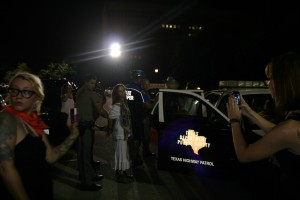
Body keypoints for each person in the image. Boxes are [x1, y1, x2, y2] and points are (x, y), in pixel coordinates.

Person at [226, 52, 300, 200]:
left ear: (285, 81)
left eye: (271, 78)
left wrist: (234, 121)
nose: (268, 83)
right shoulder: (293, 122)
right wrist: (249, 112)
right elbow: (279, 134)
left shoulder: (289, 128)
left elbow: (244, 155)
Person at [0, 71, 80, 200]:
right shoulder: (7, 119)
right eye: (14, 90)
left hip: (42, 190)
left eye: (26, 92)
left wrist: (73, 135)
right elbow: (5, 168)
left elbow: (50, 157)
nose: (18, 96)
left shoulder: (35, 121)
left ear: (37, 97)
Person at [75, 74, 108, 191]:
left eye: (94, 83)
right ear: (86, 82)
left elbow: (75, 108)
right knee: (85, 154)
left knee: (84, 154)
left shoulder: (79, 92)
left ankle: (87, 175)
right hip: (86, 127)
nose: (93, 85)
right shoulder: (91, 94)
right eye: (92, 83)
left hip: (81, 126)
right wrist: (111, 117)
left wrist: (75, 123)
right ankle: (86, 183)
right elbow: (100, 110)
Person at [107, 84, 133, 183]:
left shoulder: (124, 103)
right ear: (116, 93)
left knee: (124, 153)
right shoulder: (117, 104)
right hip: (120, 132)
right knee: (120, 153)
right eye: (120, 91)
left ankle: (123, 170)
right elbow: (110, 116)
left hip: (124, 131)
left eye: (123, 91)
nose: (122, 93)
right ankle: (120, 173)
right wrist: (109, 129)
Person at [125, 70, 146, 167]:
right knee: (137, 137)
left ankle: (130, 155)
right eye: (141, 78)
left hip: (126, 116)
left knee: (127, 138)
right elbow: (145, 105)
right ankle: (135, 157)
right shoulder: (139, 90)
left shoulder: (125, 87)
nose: (142, 80)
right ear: (139, 78)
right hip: (136, 117)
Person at [141, 78, 156, 157]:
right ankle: (145, 154)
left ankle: (146, 152)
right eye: (144, 84)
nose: (146, 86)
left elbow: (149, 101)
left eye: (148, 84)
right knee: (146, 137)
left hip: (147, 117)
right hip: (144, 118)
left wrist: (153, 100)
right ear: (142, 85)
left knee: (147, 137)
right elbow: (148, 106)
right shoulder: (142, 93)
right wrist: (157, 102)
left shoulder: (146, 93)